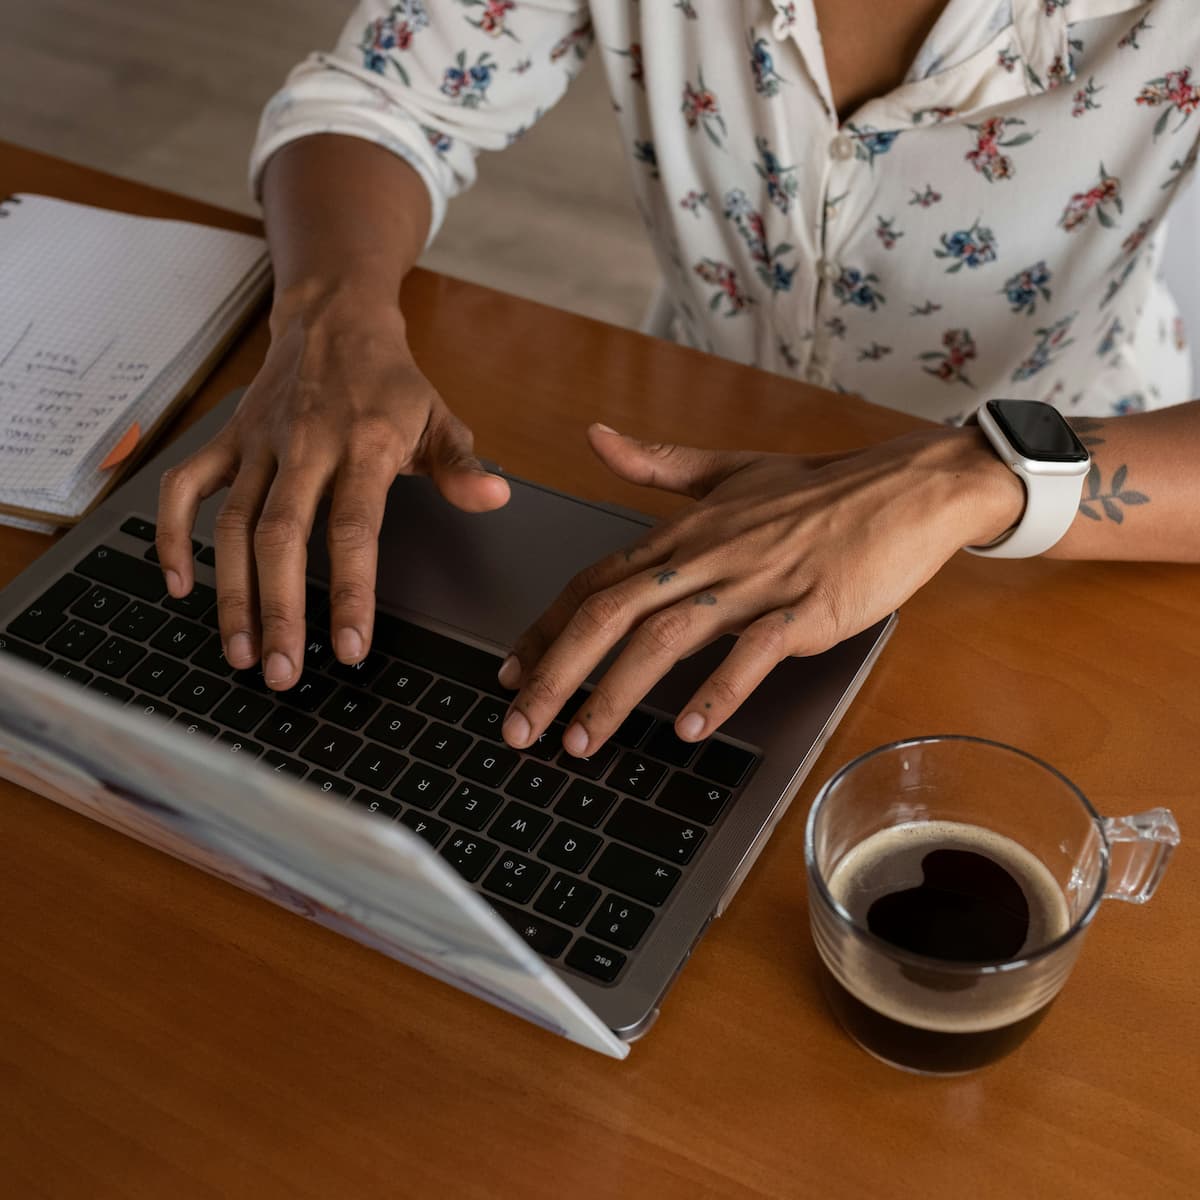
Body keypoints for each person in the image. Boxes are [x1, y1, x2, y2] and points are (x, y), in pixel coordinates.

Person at [156, 0, 1200, 760]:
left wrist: (964, 477)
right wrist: (330, 315)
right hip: (695, 454)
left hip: (1087, 526)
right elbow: (381, 98)